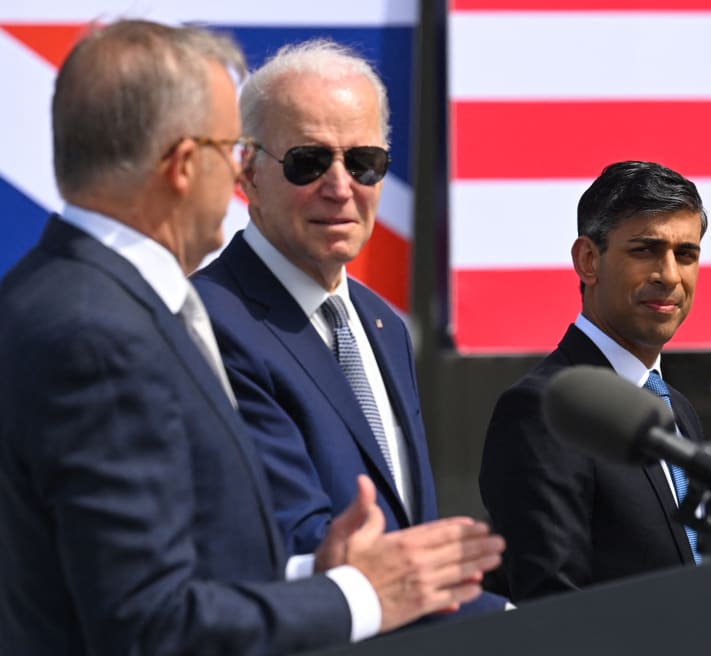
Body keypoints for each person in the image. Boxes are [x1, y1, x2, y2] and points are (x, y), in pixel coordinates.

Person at [0, 20, 503, 656]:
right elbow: (146, 625)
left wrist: (320, 576)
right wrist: (364, 593)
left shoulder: (57, 295)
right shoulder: (98, 334)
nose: (238, 174)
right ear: (186, 166)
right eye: (232, 151)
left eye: (364, 161)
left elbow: (186, 571)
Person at [191, 39, 505, 616]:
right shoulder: (208, 320)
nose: (340, 187)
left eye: (363, 162)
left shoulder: (381, 324)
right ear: (249, 173)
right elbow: (295, 544)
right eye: (308, 161)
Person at [479, 160, 711, 602]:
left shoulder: (678, 409)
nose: (669, 275)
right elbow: (554, 607)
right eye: (645, 250)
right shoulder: (544, 408)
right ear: (588, 260)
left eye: (686, 254)